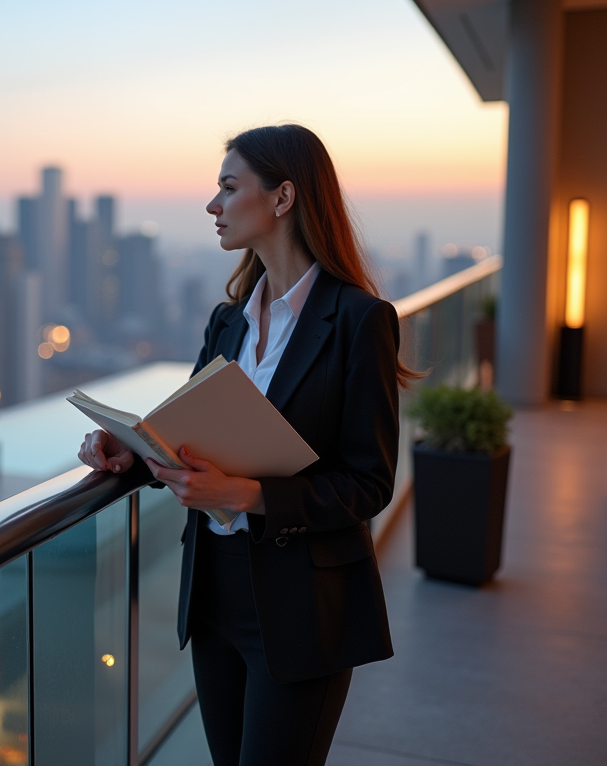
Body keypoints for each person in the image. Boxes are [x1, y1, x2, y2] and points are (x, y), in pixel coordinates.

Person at [78, 124, 413, 765]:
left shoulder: (359, 321)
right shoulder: (227, 320)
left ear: (283, 198)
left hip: (303, 604)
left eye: (229, 188)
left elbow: (369, 484)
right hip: (213, 596)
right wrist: (133, 453)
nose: (214, 206)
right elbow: (188, 439)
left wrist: (248, 495)